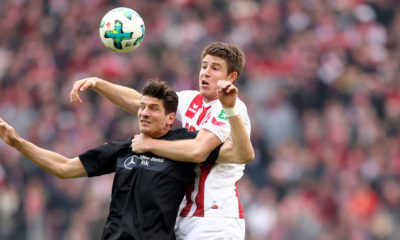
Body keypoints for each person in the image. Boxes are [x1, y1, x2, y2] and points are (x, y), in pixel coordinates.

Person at [1, 79, 253, 240]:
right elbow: (65, 168)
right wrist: (16, 142)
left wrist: (231, 110)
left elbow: (242, 153)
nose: (143, 113)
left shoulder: (186, 146)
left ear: (170, 118)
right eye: (142, 107)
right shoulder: (127, 147)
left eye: (153, 109)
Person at [70, 42, 252, 239]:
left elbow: (198, 151)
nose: (205, 73)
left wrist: (150, 144)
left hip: (216, 217)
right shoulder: (191, 100)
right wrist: (99, 83)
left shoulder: (232, 109)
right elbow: (139, 102)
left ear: (231, 77)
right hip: (184, 216)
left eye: (215, 68)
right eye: (204, 66)